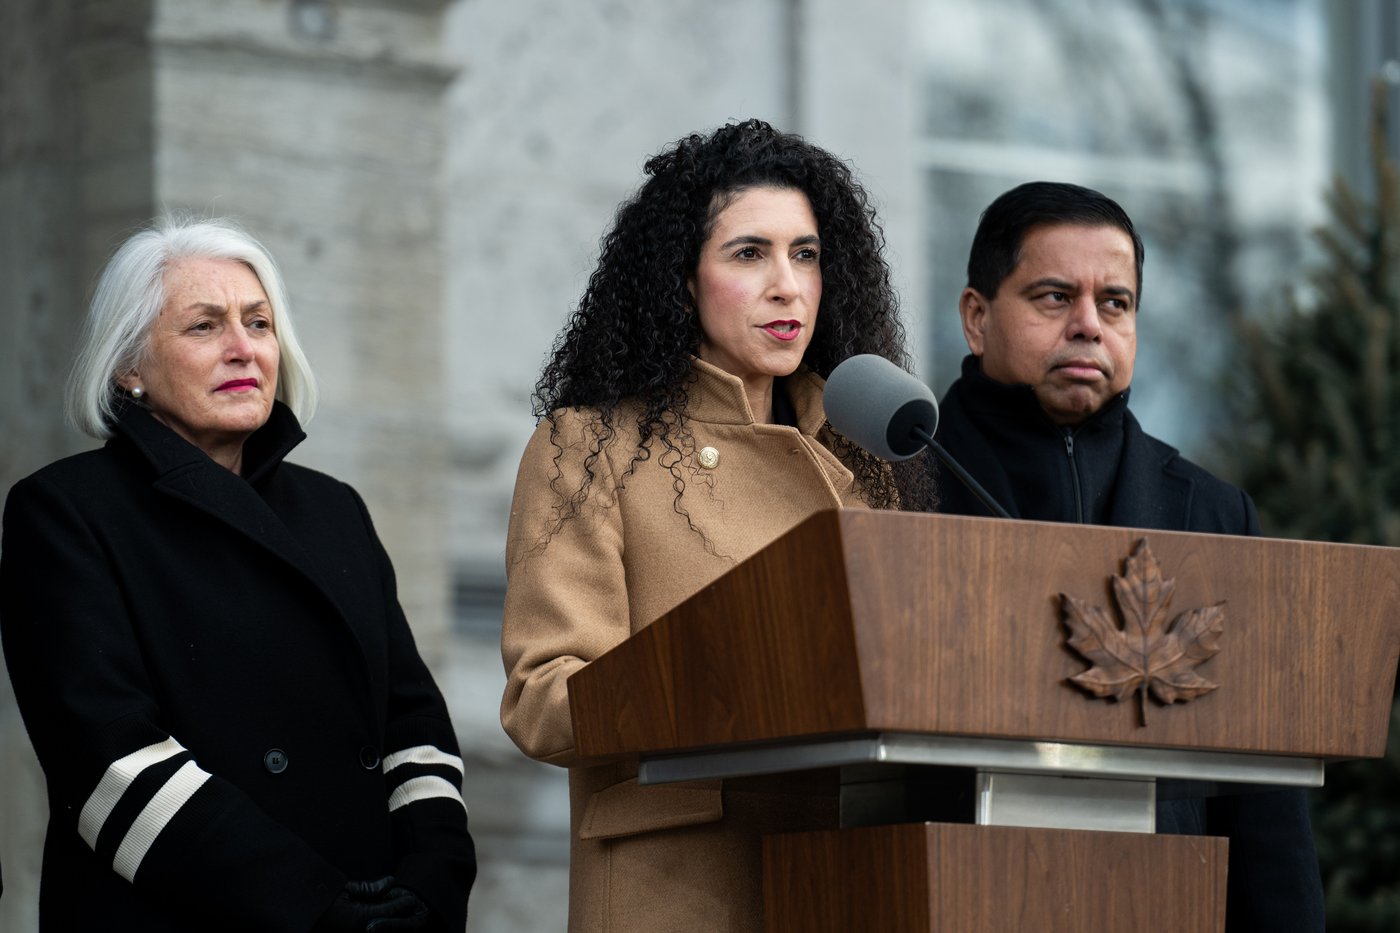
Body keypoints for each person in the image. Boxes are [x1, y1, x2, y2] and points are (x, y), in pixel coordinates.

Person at [499, 119, 934, 932]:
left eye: (806, 254)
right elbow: (543, 699)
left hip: (848, 874)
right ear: (681, 280)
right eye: (749, 254)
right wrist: (735, 670)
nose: (788, 285)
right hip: (680, 882)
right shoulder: (589, 447)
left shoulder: (867, 456)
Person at [0, 217, 476, 932]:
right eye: (204, 326)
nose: (243, 347)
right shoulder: (64, 511)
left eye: (259, 323)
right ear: (129, 368)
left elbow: (415, 727)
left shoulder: (336, 509)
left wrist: (431, 883)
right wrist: (314, 907)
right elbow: (108, 766)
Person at [930, 180, 1324, 930]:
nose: (1089, 325)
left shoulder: (1212, 517)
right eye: (1054, 297)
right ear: (977, 318)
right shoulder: (890, 491)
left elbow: (1266, 816)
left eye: (1115, 303)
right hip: (946, 900)